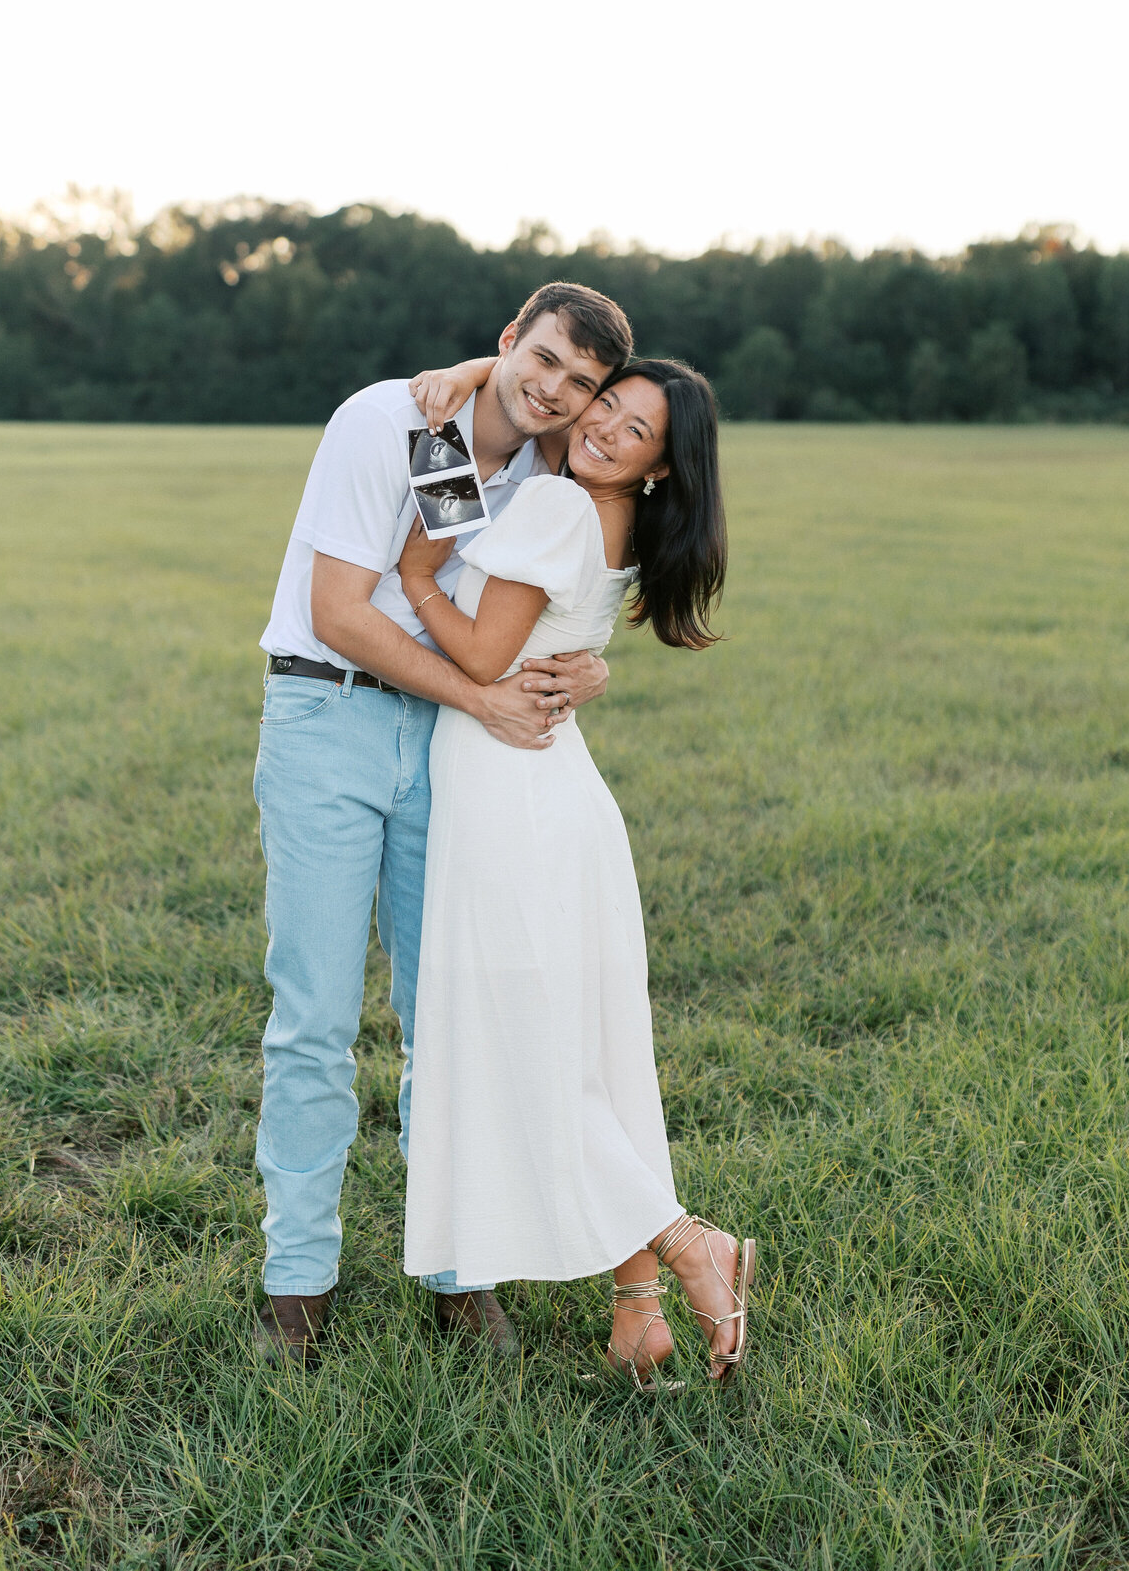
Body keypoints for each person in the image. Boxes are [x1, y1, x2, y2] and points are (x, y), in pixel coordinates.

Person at [251, 283, 635, 1366]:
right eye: (543, 358)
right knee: (315, 1016)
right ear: (509, 337)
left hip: (450, 754)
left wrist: (589, 664)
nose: (555, 389)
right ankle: (297, 1279)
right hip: (326, 714)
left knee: (450, 1018)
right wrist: (478, 696)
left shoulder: (543, 474)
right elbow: (341, 608)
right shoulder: (387, 420)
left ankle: (458, 1271)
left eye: (580, 381)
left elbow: (536, 606)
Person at [396, 353, 755, 1388]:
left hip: (511, 804)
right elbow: (514, 470)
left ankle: (689, 1242)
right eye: (607, 404)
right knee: (586, 1056)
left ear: (655, 465)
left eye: (633, 429)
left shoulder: (556, 507)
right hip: (552, 798)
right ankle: (636, 1308)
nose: (599, 425)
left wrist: (418, 570)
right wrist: (474, 372)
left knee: (535, 1058)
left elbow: (473, 645)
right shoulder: (609, 515)